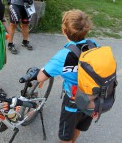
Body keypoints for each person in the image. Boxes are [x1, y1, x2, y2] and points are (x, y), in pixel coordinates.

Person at [36, 9, 97, 143]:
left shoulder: (63, 56)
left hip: (74, 101)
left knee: (65, 136)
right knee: (79, 126)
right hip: (94, 98)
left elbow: (41, 77)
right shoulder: (93, 45)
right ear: (86, 30)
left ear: (64, 31)